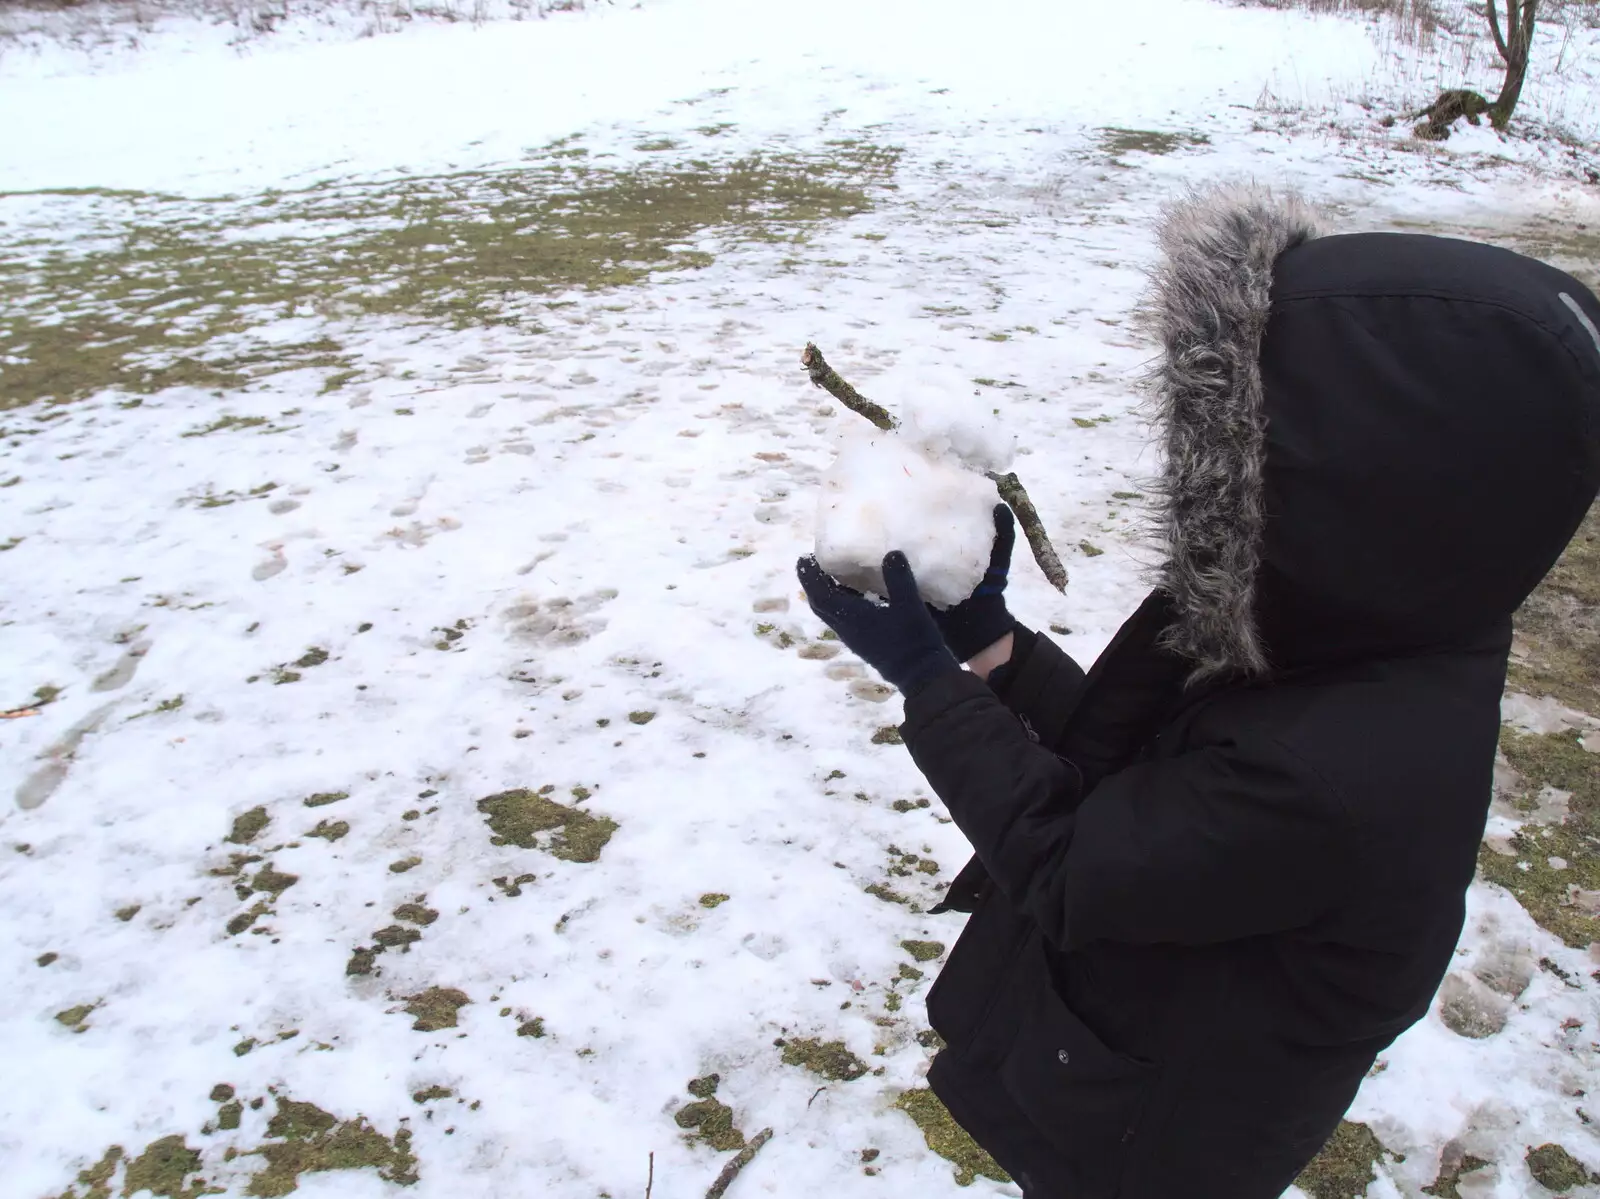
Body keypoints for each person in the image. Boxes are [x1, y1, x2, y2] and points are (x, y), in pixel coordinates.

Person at [797, 184, 1600, 1199]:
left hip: (1160, 1141)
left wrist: (927, 680)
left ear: (1359, 488)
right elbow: (1152, 776)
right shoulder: (1360, 614)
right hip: (1147, 1045)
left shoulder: (1339, 768)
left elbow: (1071, 862)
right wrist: (989, 643)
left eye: (1230, 453)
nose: (1193, 477)